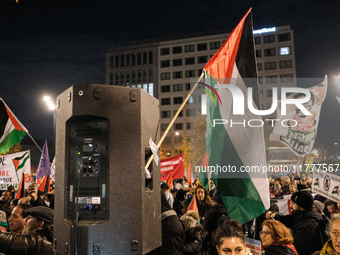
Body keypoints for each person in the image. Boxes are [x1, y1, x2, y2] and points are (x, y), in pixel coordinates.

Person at [266, 190, 325, 255]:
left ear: (301, 206)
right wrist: (275, 216)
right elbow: (289, 220)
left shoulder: (306, 227)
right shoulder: (304, 216)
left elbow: (295, 250)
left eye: (293, 203)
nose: (290, 206)